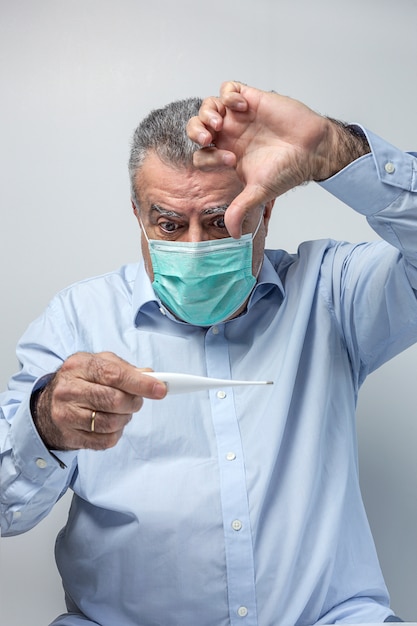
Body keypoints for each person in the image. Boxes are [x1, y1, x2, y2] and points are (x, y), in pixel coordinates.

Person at [1, 80, 416, 626]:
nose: (194, 248)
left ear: (265, 212)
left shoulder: (331, 292)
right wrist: (46, 424)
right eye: (169, 225)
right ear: (138, 217)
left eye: (221, 221)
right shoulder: (77, 320)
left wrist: (333, 151)